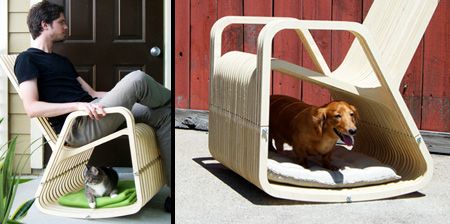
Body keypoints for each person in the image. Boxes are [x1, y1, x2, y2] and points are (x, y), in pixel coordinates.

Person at [14, 1, 172, 212]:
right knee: (137, 79)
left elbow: (93, 94)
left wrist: (129, 96)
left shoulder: (62, 61)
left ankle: (174, 192)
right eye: (61, 22)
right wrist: (77, 106)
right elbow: (32, 108)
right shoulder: (26, 60)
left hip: (96, 110)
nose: (66, 27)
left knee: (165, 114)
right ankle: (175, 101)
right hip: (78, 126)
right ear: (45, 25)